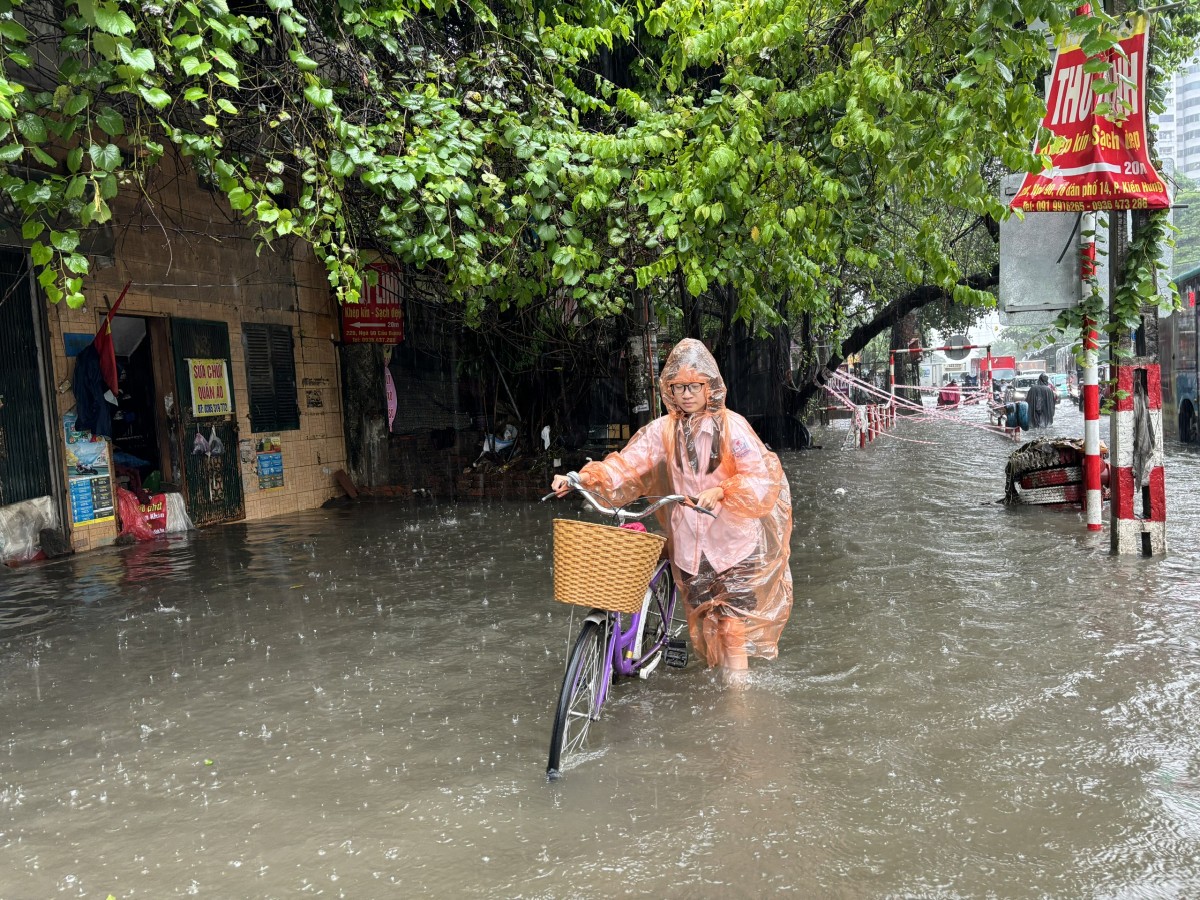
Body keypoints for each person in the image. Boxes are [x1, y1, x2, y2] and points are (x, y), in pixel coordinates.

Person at [551, 339, 793, 685]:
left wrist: (722, 490)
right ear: (670, 390)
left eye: (694, 385)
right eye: (678, 387)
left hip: (732, 542)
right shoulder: (663, 431)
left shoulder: (731, 427)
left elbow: (760, 479)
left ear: (709, 387)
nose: (687, 394)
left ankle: (738, 704)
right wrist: (583, 476)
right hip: (690, 545)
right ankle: (720, 685)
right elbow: (627, 464)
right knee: (709, 621)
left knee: (731, 624)